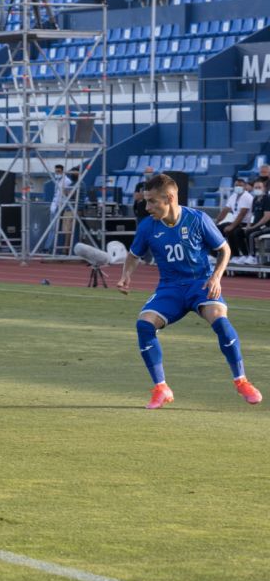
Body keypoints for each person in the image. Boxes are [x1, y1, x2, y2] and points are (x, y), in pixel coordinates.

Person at [117, 173, 261, 409]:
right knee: (144, 324)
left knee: (220, 321)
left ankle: (241, 381)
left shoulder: (197, 219)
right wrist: (126, 275)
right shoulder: (147, 227)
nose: (147, 206)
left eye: (152, 201)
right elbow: (134, 255)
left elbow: (224, 250)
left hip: (200, 284)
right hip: (170, 288)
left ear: (170, 197)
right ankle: (161, 388)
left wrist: (216, 277)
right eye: (146, 201)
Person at [216, 178, 253, 259]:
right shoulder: (233, 196)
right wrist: (216, 222)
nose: (238, 187)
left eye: (240, 185)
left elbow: (242, 214)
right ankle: (214, 255)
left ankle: (238, 255)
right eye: (236, 185)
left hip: (244, 222)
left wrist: (232, 226)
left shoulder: (247, 197)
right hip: (234, 221)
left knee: (232, 231)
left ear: (245, 186)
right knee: (216, 229)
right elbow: (225, 210)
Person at [234, 181, 270, 265]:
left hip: (266, 225)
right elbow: (252, 214)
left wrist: (254, 227)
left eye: (259, 187)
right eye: (255, 188)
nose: (257, 189)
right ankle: (245, 255)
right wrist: (248, 225)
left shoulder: (267, 199)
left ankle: (253, 257)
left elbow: (267, 217)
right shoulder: (255, 199)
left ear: (264, 188)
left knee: (251, 233)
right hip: (256, 225)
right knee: (238, 232)